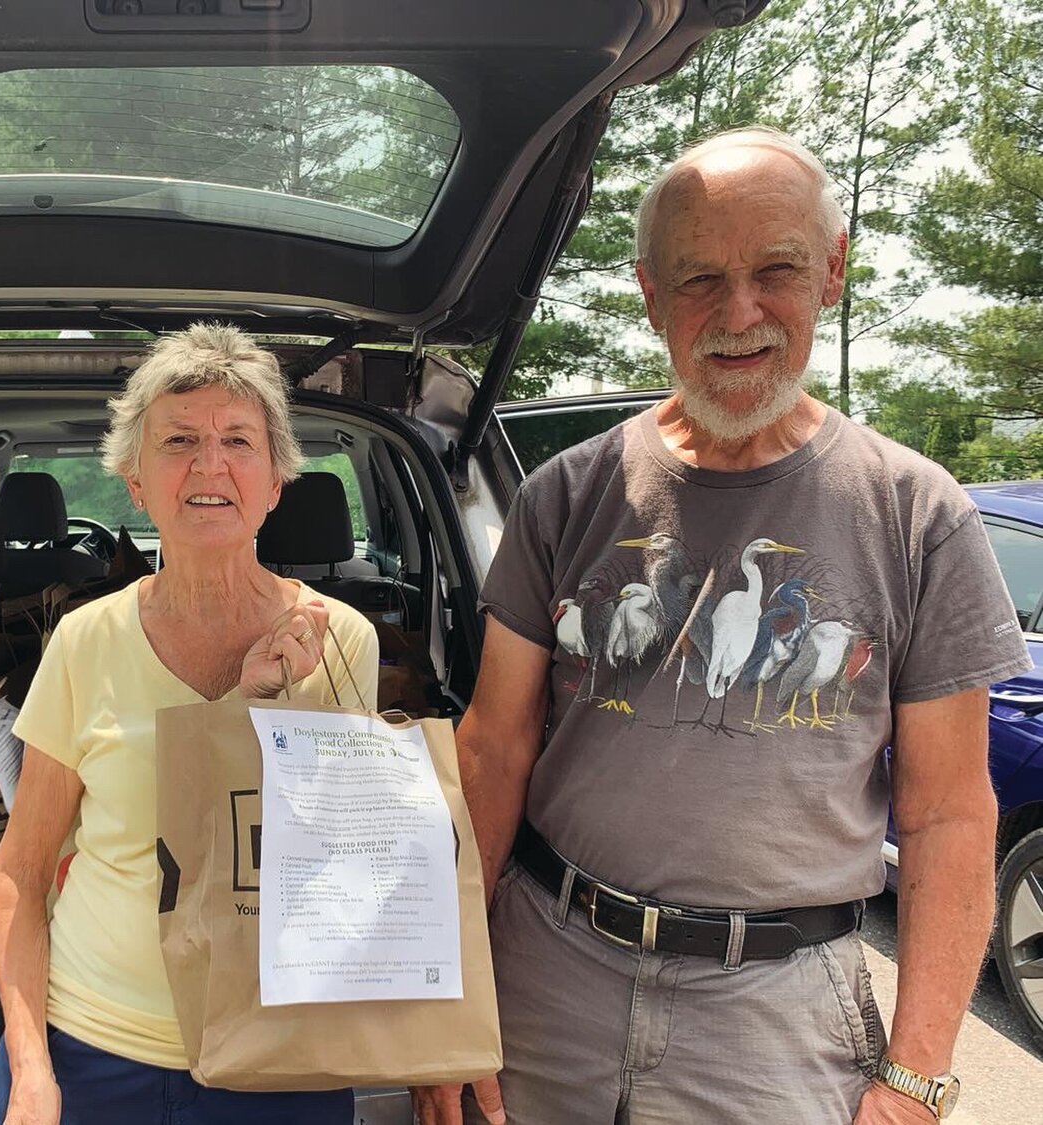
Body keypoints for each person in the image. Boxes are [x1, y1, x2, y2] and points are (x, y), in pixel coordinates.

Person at [414, 127, 1035, 1125]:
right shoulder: (565, 496)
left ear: (831, 270)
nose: (738, 313)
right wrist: (445, 998)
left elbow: (951, 816)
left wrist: (917, 1077)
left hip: (777, 1014)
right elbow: (492, 751)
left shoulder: (920, 515)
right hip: (547, 973)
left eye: (776, 269)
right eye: (699, 278)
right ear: (652, 296)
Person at [0, 323, 379, 1125]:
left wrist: (262, 711)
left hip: (275, 1054)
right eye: (179, 440)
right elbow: (19, 871)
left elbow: (352, 871)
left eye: (238, 440)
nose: (209, 465)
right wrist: (30, 1067)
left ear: (275, 481)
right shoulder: (85, 639)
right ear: (135, 480)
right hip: (89, 1050)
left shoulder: (340, 644)